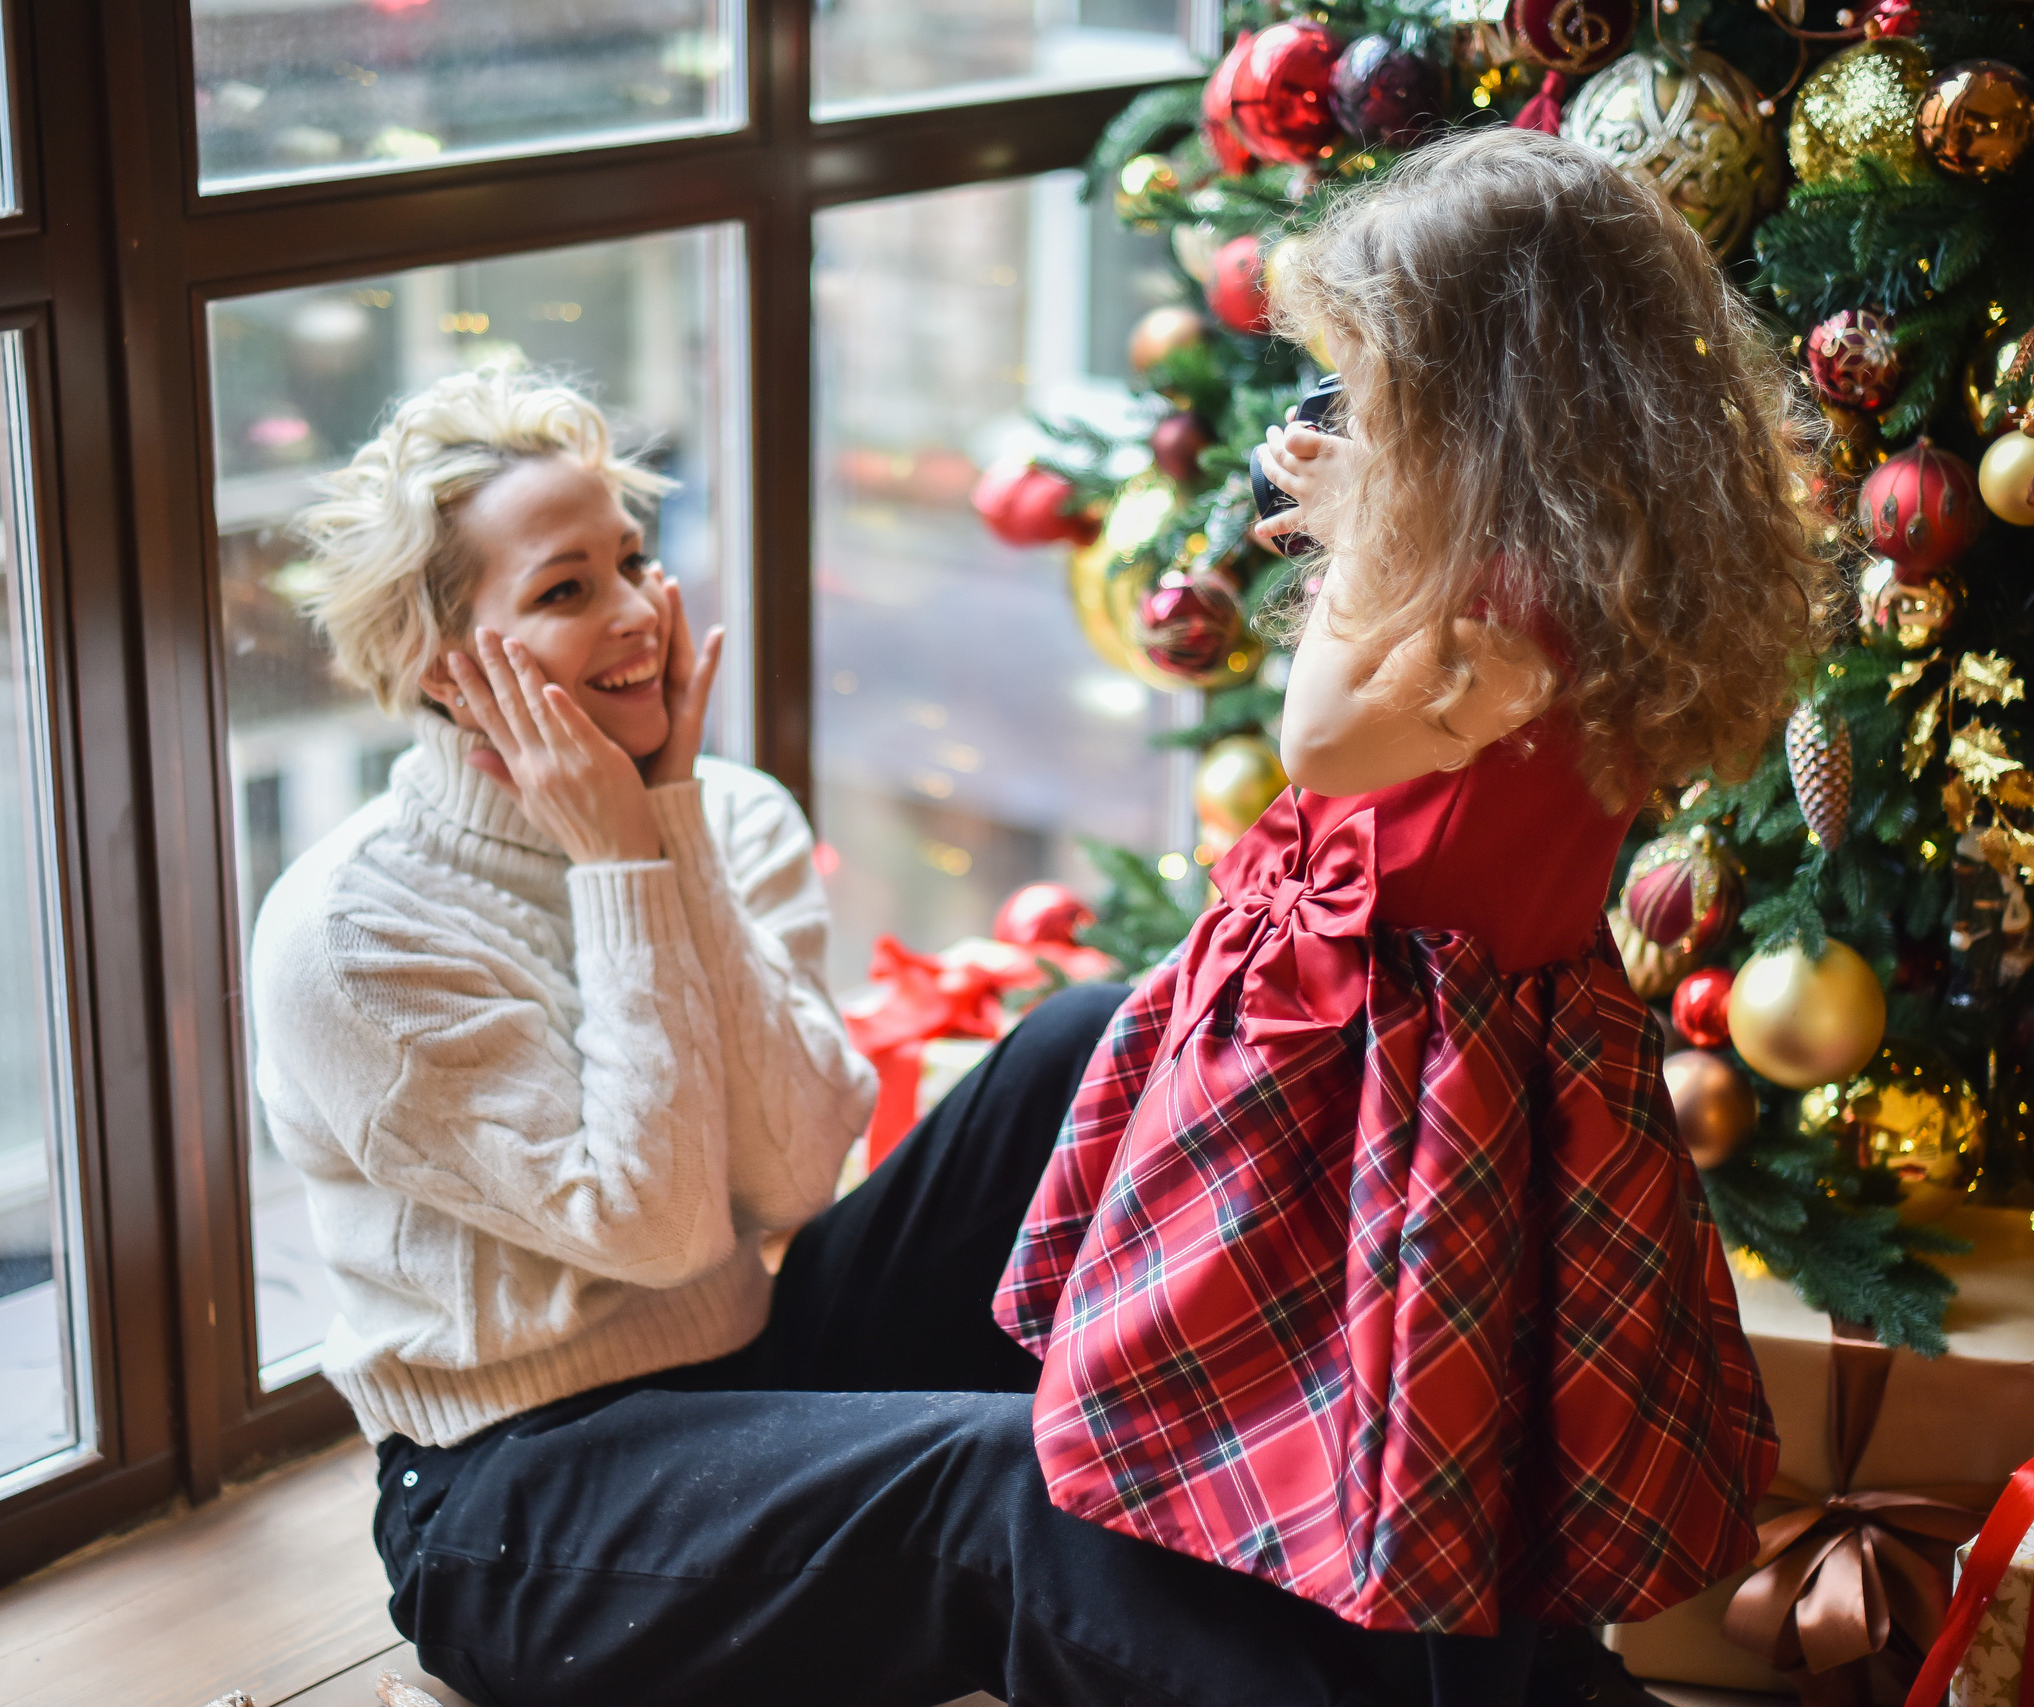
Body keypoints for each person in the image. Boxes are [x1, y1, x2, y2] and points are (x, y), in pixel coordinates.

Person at [249, 366, 1554, 1707]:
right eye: (567, 590)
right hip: (515, 1503)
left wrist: (666, 839)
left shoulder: (723, 815)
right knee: (1004, 1483)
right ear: (440, 667)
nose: (641, 613)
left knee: (1096, 1043)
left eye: (634, 561)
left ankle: (1439, 1619)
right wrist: (622, 872)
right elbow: (658, 1228)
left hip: (741, 1367)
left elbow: (788, 1175)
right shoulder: (354, 938)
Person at [998, 128, 1833, 1644]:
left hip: (1380, 1068)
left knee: (1329, 1410)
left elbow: (1321, 741)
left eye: (1383, 379)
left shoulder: (1509, 594)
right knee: (1451, 1417)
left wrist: (1364, 533)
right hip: (1464, 1035)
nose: (1359, 409)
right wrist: (1392, 525)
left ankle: (1260, 1647)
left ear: (1486, 393)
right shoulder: (1598, 545)